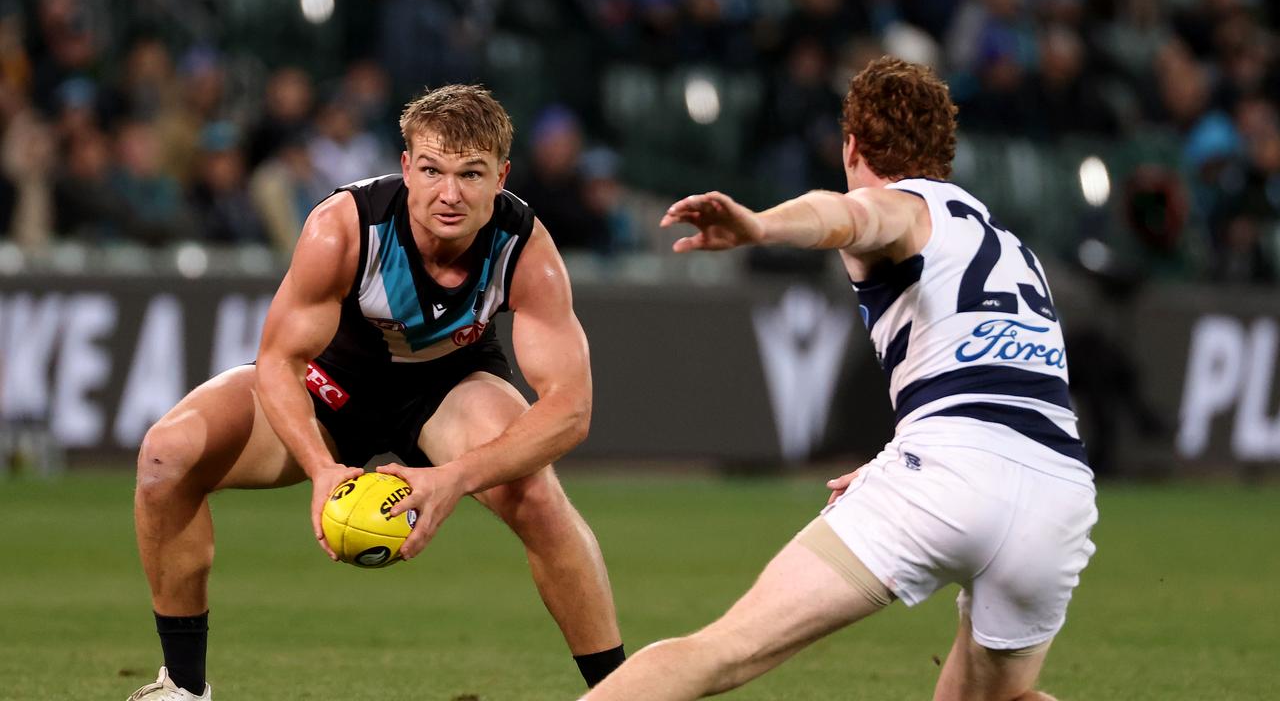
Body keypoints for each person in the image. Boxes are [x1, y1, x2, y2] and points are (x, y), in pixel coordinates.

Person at [583, 56, 1097, 701]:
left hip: (949, 475)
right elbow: (994, 378)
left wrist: (760, 225)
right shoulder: (1014, 250)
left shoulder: (901, 209)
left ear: (851, 146)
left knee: (725, 651)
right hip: (1059, 495)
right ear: (944, 151)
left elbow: (849, 216)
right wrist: (902, 453)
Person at [127, 85, 625, 700]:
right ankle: (181, 688)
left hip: (448, 389)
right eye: (433, 170)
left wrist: (455, 478)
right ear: (406, 165)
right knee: (163, 460)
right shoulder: (343, 227)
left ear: (502, 176)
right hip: (330, 387)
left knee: (538, 499)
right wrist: (320, 469)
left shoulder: (525, 249)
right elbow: (282, 361)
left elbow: (571, 411)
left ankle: (620, 693)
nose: (450, 193)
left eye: (471, 173)